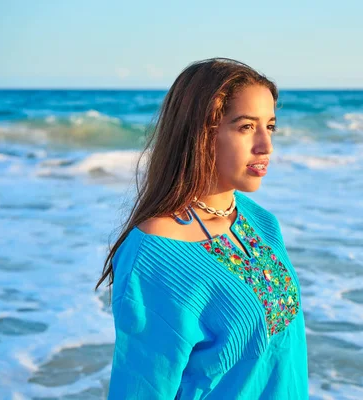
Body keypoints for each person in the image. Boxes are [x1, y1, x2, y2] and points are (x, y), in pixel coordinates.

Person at [95, 58, 309, 399]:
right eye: (245, 127)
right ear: (199, 132)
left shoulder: (259, 221)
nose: (266, 146)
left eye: (270, 126)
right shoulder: (153, 254)